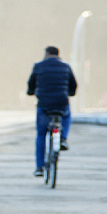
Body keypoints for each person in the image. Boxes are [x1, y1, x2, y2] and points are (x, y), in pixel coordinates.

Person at [27, 46, 77, 177]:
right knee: (66, 116)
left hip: (44, 104)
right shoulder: (66, 67)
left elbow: (31, 85)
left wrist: (30, 92)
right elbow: (74, 86)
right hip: (61, 103)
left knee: (41, 134)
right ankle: (63, 138)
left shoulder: (38, 66)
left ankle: (39, 167)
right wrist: (69, 93)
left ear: (46, 54)